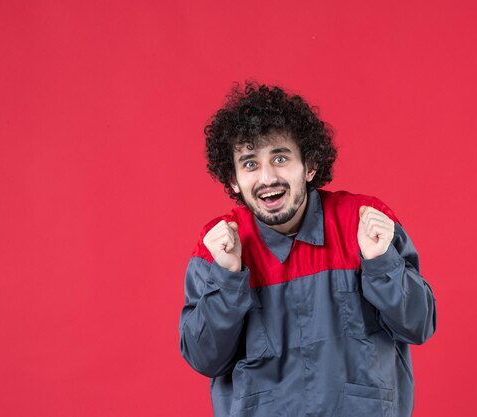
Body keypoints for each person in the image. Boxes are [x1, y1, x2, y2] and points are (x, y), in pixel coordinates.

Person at [179, 82, 437, 417]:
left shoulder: (363, 223)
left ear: (310, 166)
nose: (267, 177)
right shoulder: (216, 249)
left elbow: (418, 326)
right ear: (233, 180)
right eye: (250, 164)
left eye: (280, 157)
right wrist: (227, 279)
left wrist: (381, 264)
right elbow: (204, 359)